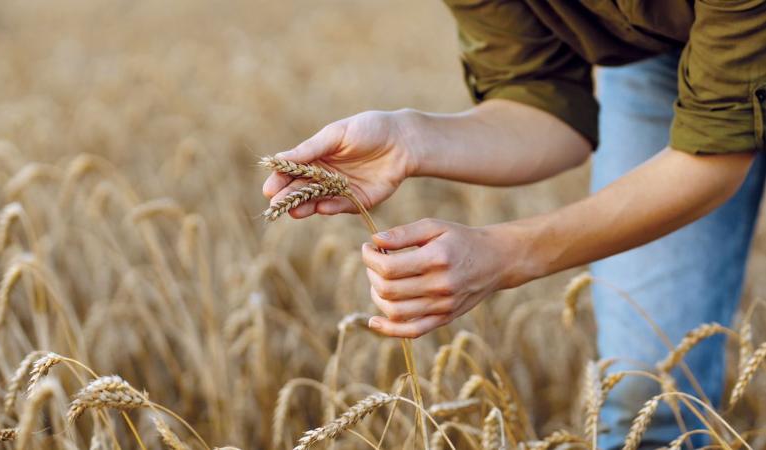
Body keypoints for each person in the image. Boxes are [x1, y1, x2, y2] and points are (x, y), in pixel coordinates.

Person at [262, 1, 766, 447]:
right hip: (665, 61)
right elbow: (544, 107)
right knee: (648, 398)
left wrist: (506, 254)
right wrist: (408, 138)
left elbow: (714, 157)